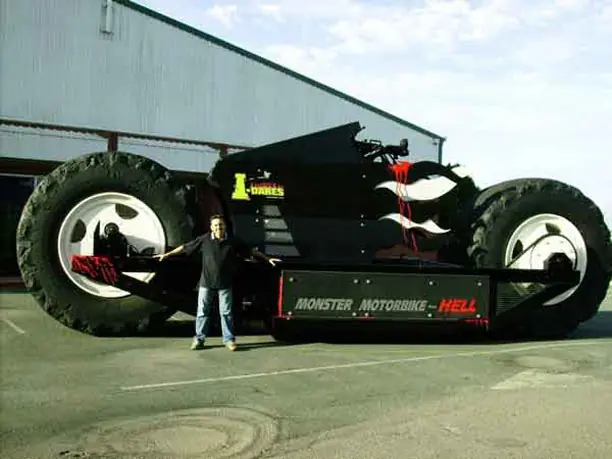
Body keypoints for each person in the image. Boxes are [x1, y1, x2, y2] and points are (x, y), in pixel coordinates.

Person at [154, 214, 281, 351]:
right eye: (215, 225)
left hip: (225, 284)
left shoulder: (233, 241)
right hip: (206, 283)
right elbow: (185, 248)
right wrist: (166, 255)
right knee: (202, 312)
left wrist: (267, 259)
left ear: (224, 226)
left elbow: (251, 251)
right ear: (211, 227)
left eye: (220, 225)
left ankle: (229, 340)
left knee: (226, 313)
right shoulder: (204, 240)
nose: (218, 227)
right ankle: (199, 339)